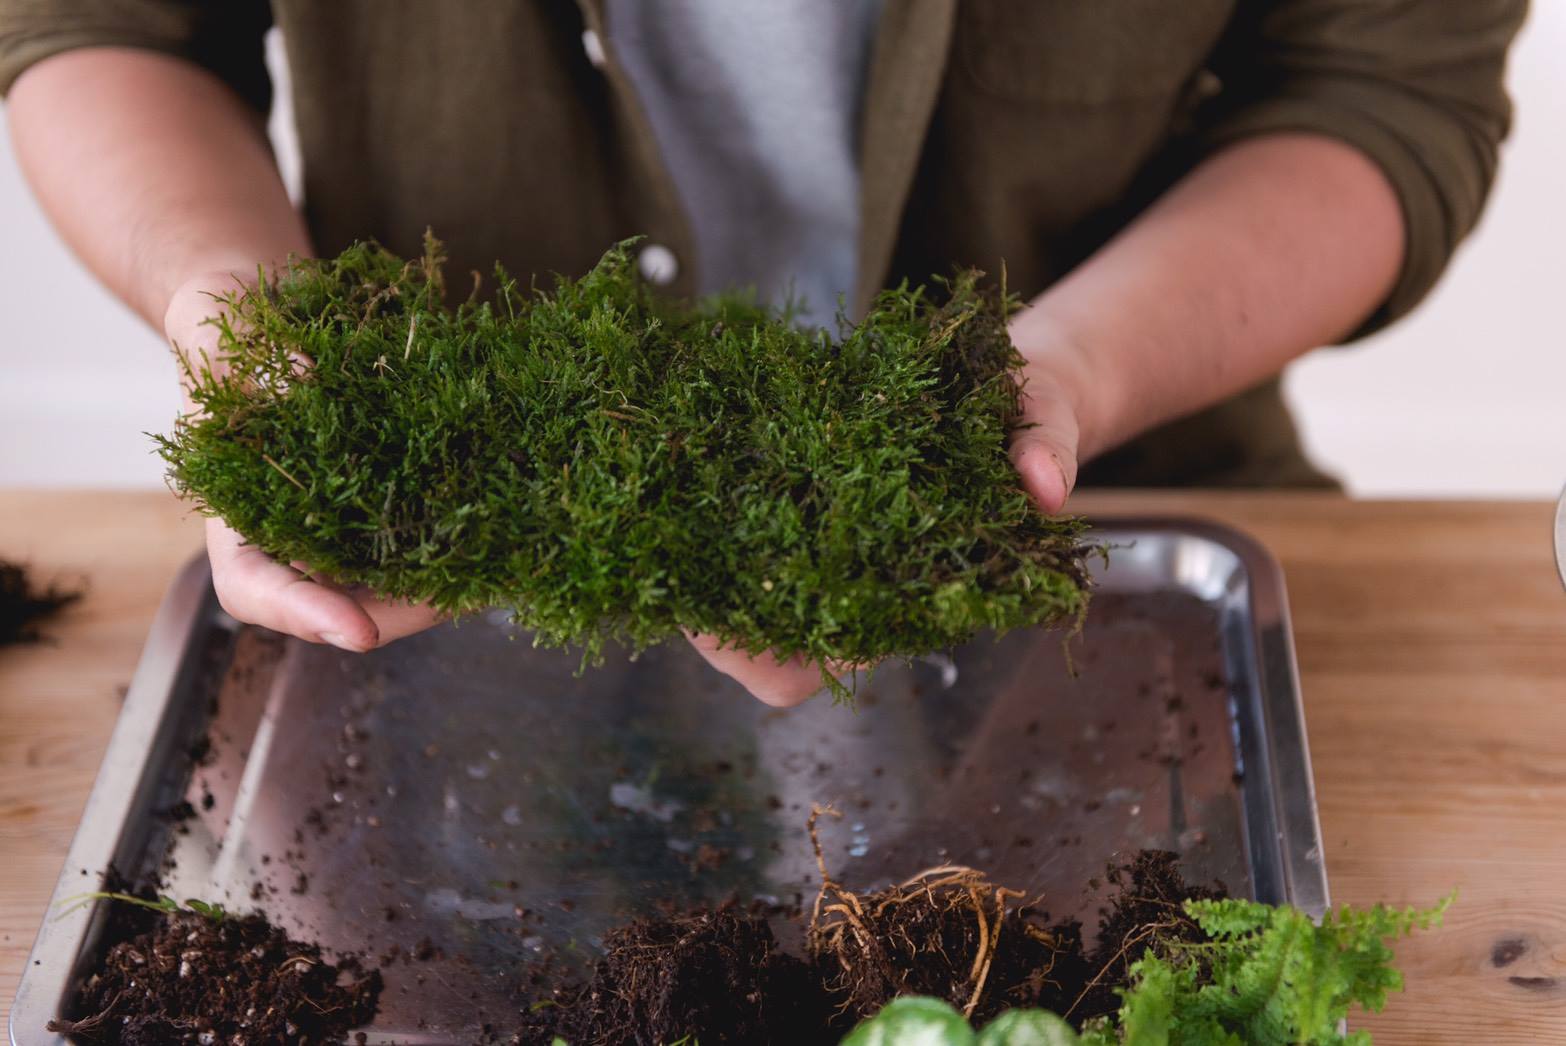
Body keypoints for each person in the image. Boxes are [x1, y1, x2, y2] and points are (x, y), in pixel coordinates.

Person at [2, 1, 1524, 706]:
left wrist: (1062, 374)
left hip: (1088, 554)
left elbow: (1377, 85)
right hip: (432, 614)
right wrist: (246, 319)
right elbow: (101, 21)